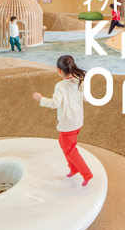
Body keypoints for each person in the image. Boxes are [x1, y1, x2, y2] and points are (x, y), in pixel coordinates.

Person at [32, 55, 93, 186]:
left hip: (68, 125)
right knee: (63, 144)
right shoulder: (80, 80)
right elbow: (86, 98)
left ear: (59, 70)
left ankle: (86, 174)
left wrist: (40, 98)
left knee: (70, 150)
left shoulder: (60, 86)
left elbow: (54, 103)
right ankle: (74, 168)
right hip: (77, 122)